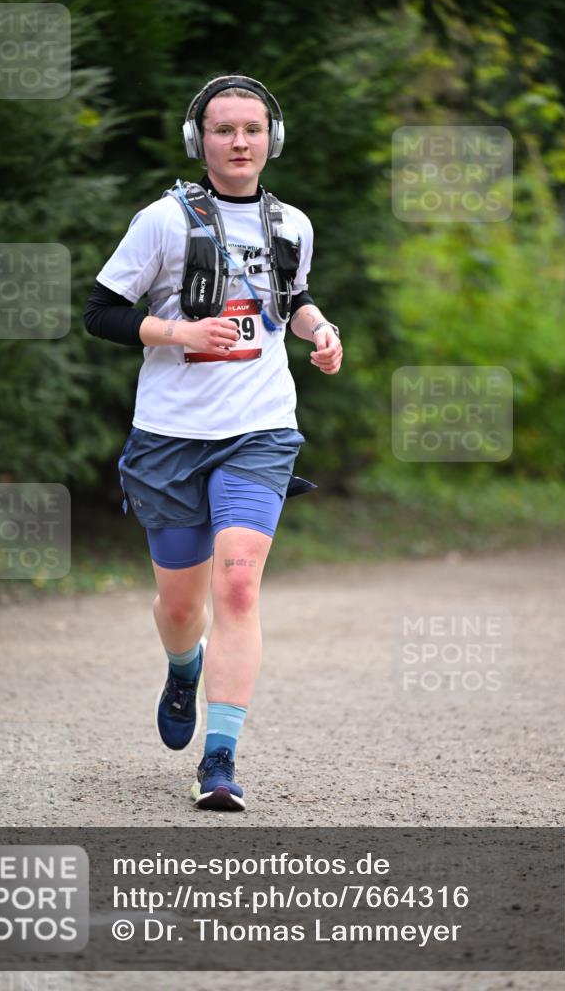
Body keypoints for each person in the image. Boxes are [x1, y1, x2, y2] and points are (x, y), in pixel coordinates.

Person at [84, 75, 342, 811]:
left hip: (259, 428)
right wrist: (178, 332)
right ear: (201, 141)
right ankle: (181, 665)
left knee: (236, 584)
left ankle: (219, 759)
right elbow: (100, 313)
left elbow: (290, 302)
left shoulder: (291, 224)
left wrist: (319, 331)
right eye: (224, 129)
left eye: (251, 129)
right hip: (170, 436)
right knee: (179, 605)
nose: (239, 142)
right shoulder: (161, 221)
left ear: (272, 138)